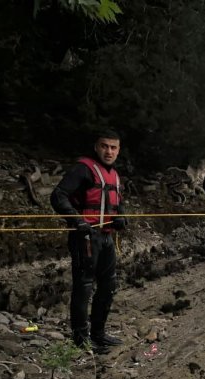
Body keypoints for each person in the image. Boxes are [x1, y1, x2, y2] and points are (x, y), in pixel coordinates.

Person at [50, 130, 127, 355]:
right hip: (85, 236)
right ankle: (80, 339)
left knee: (108, 285)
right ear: (96, 147)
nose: (109, 151)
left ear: (118, 150)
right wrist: (76, 219)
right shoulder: (83, 169)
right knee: (84, 287)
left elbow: (118, 202)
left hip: (106, 237)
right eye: (105, 146)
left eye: (113, 147)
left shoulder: (114, 175)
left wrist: (122, 217)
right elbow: (58, 195)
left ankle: (99, 333)